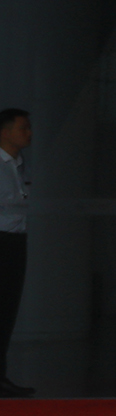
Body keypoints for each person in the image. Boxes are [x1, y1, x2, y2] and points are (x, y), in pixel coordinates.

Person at [0, 110, 31, 397]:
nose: (29, 133)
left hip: (15, 240)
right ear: (5, 132)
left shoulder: (18, 164)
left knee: (7, 309)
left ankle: (1, 375)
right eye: (23, 128)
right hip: (3, 239)